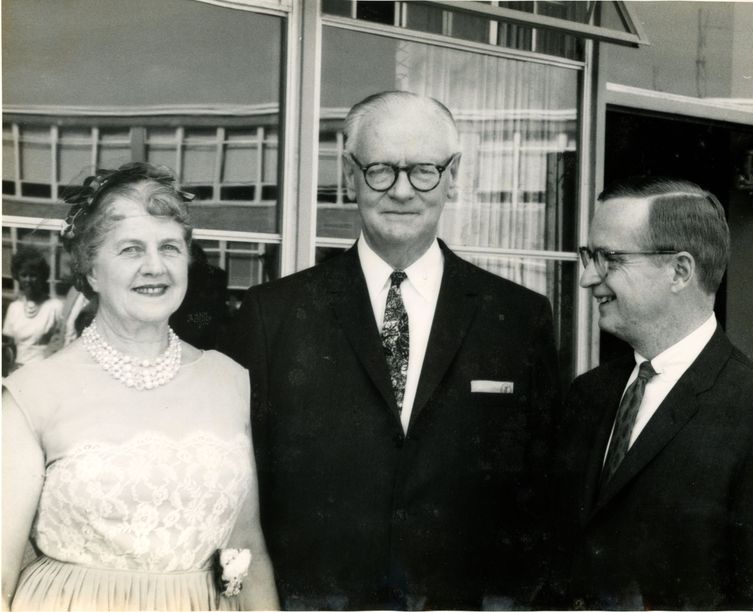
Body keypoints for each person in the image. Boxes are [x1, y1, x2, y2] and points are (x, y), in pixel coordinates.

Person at [224, 91, 560, 610]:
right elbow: (245, 489)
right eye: (381, 169)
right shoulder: (273, 314)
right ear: (349, 175)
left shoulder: (519, 318)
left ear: (453, 175)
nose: (402, 191)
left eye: (424, 170)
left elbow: (538, 492)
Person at [2, 162, 278, 611]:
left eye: (169, 247)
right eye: (131, 249)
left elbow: (248, 549)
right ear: (91, 270)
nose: (155, 267)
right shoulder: (31, 395)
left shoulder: (229, 380)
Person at [555, 177, 753, 609]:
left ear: (680, 271)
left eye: (608, 258)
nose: (587, 277)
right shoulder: (587, 395)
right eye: (588, 256)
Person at [2, 247, 63, 371]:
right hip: (17, 372)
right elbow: (9, 347)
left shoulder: (55, 307)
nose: (28, 280)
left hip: (44, 372)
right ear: (17, 277)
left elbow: (64, 344)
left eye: (33, 275)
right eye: (24, 275)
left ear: (42, 276)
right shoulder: (14, 308)